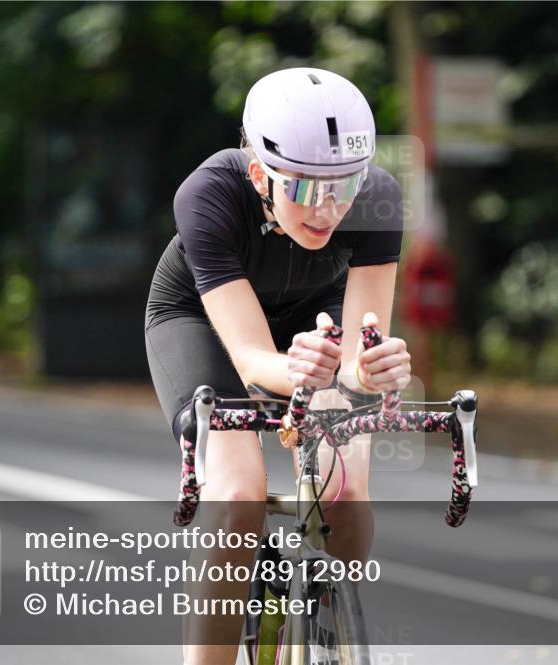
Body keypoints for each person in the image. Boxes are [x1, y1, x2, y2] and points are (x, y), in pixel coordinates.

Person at [144, 67, 411, 665]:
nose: (330, 209)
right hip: (204, 321)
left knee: (344, 498)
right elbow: (250, 360)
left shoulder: (378, 197)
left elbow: (356, 359)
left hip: (314, 317)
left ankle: (331, 633)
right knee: (239, 497)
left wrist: (368, 371)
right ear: (261, 174)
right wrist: (303, 371)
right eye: (308, 189)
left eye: (346, 185)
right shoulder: (208, 193)